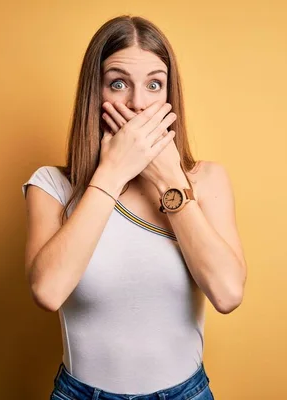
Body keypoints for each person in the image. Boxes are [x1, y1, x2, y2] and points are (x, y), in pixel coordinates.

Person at [22, 14, 247, 400]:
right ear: (96, 93)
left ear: (169, 96)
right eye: (119, 83)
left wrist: (169, 180)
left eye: (154, 85)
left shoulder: (207, 181)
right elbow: (48, 291)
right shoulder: (52, 185)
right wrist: (111, 173)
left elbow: (227, 294)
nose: (138, 103)